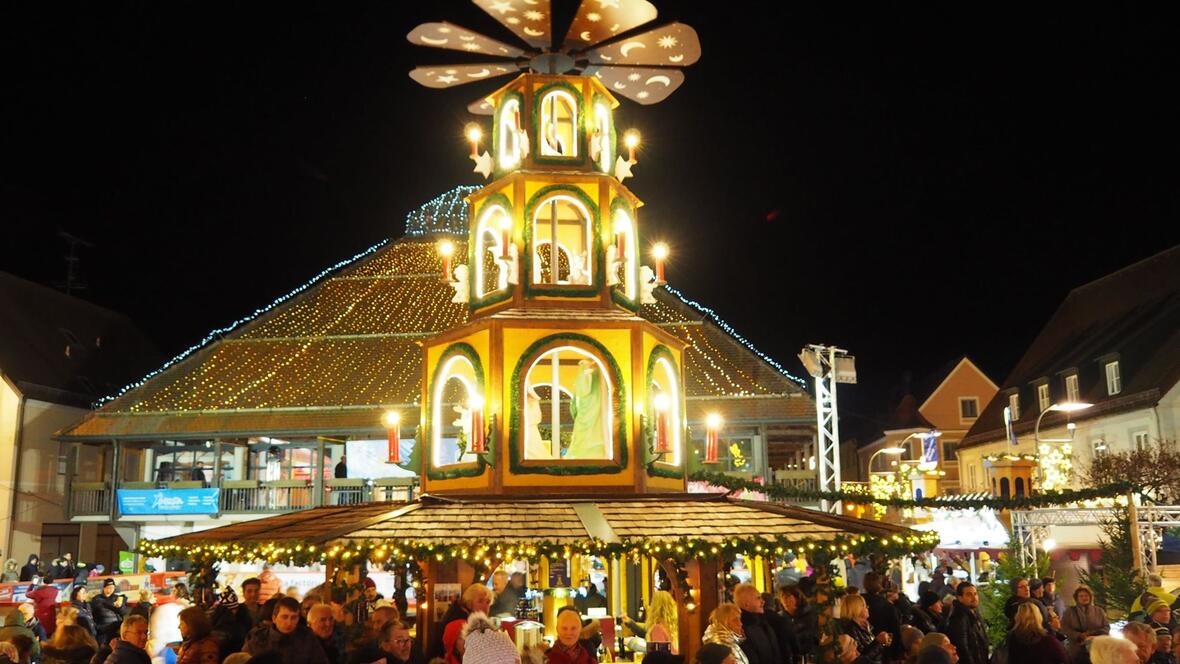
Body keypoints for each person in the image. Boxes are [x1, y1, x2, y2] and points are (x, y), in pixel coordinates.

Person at [243, 596, 329, 664]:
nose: (289, 622)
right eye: (284, 617)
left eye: (294, 617)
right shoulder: (258, 640)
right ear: (274, 618)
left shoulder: (306, 637)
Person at [435, 583, 491, 664]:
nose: (486, 606)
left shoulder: (466, 616)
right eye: (480, 601)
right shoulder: (460, 622)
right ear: (469, 603)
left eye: (488, 601)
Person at [834, 593, 890, 664]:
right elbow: (859, 658)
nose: (867, 608)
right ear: (856, 608)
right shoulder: (850, 628)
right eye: (864, 606)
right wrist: (878, 642)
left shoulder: (866, 626)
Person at [732, 584, 780, 664]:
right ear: (746, 603)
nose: (763, 601)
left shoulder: (761, 622)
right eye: (758, 598)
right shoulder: (741, 629)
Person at [943, 582, 987, 664]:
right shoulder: (959, 617)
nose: (974, 598)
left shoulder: (973, 613)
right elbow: (962, 648)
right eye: (969, 595)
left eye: (975, 594)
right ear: (960, 598)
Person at [1062, 584, 1109, 658]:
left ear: (1090, 597)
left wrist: (1092, 634)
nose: (1084, 598)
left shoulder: (1099, 611)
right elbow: (1065, 628)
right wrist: (1079, 635)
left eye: (1086, 595)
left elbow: (1106, 627)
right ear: (1076, 598)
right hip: (1077, 649)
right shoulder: (1070, 612)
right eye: (1081, 596)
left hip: (1097, 647)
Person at [91, 579, 128, 643]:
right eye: (108, 587)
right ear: (104, 588)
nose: (110, 589)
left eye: (112, 587)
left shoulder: (117, 598)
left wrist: (120, 607)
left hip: (116, 629)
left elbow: (124, 612)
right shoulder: (97, 599)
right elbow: (95, 611)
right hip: (103, 630)